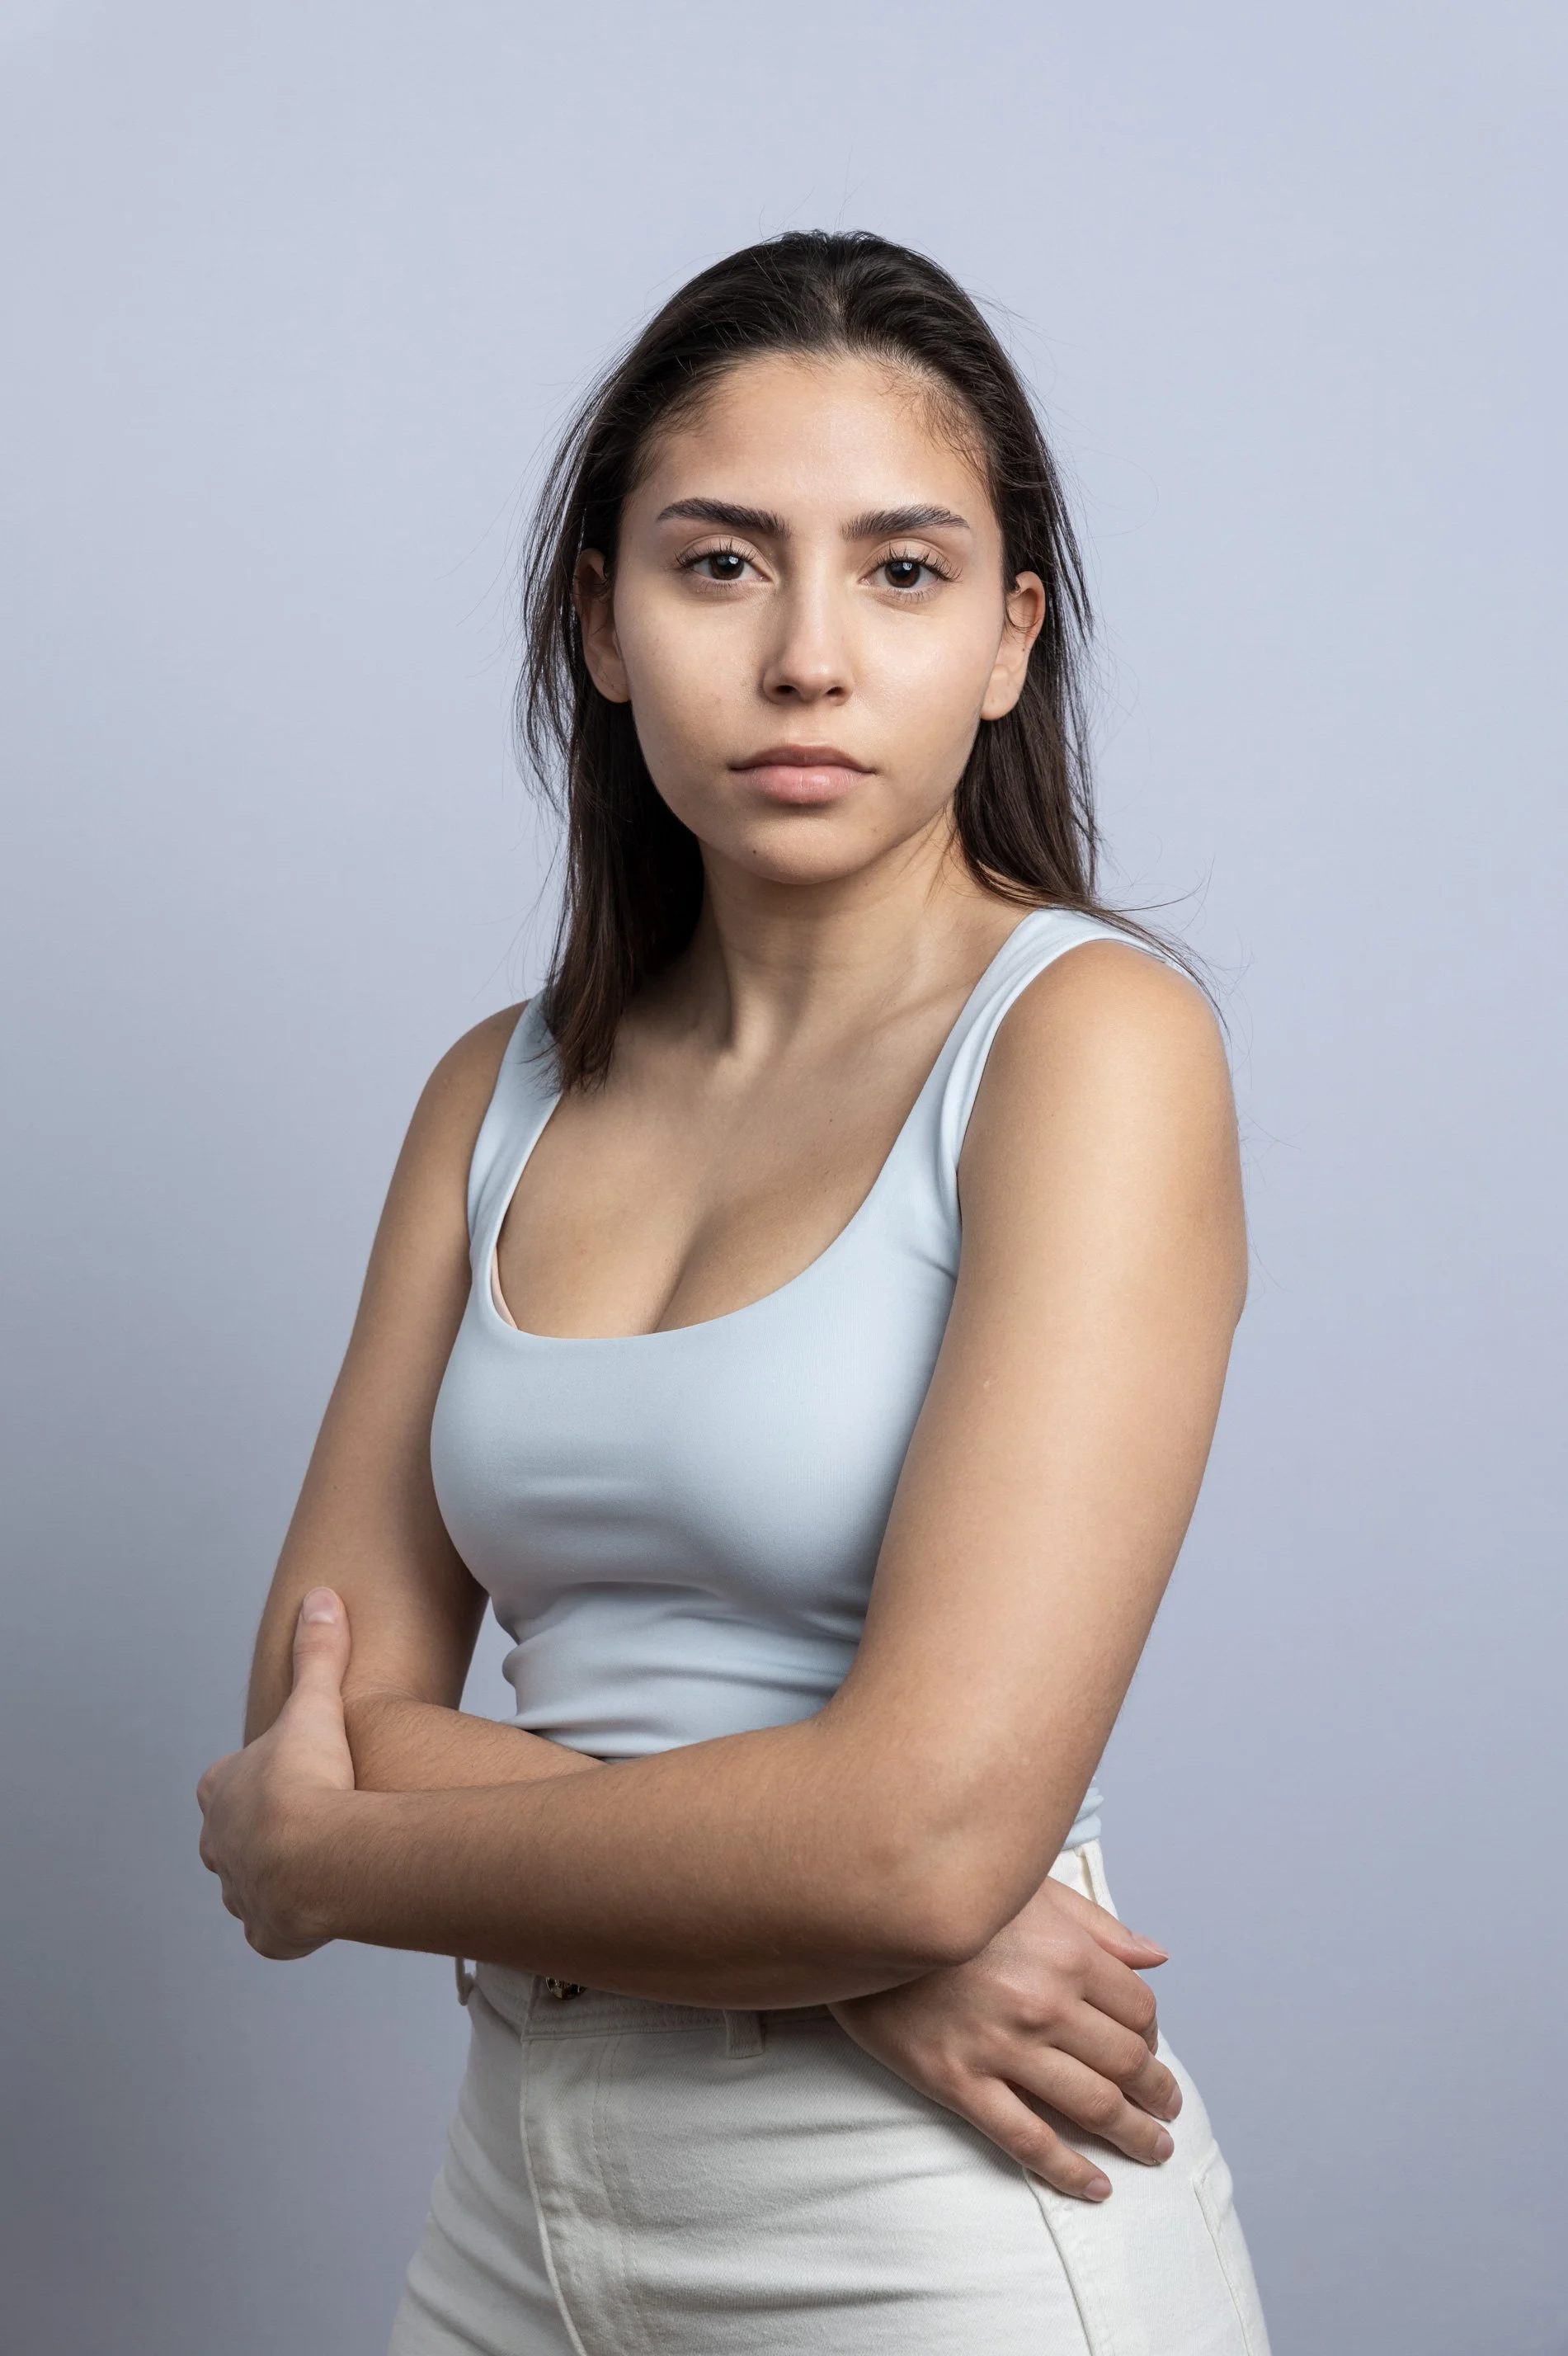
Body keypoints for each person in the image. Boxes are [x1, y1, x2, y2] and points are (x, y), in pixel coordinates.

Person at [197, 229, 1271, 2354]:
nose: (806, 657)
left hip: (932, 2230)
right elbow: (305, 1716)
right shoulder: (491, 1095)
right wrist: (859, 1937)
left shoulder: (1087, 1049)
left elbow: (922, 1835)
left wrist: (346, 1868)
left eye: (900, 569)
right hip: (517, 2220)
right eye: (717, 564)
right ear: (595, 626)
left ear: (1005, 639)